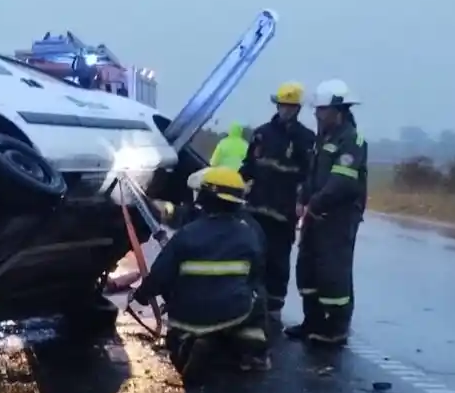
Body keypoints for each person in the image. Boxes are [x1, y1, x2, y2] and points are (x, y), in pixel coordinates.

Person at [131, 166, 271, 374]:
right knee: (258, 298)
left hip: (187, 315)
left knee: (184, 324)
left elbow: (160, 276)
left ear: (205, 197)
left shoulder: (187, 234)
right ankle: (252, 353)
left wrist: (140, 296)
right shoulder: (251, 233)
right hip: (233, 312)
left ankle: (185, 345)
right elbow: (256, 275)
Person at [285, 78, 368, 346]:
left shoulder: (351, 139)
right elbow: (312, 174)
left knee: (334, 272)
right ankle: (313, 323)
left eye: (321, 110)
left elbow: (342, 181)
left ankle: (335, 329)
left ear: (338, 110)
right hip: (315, 214)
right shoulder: (324, 137)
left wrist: (315, 205)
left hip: (338, 218)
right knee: (308, 269)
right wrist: (301, 198)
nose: (317, 114)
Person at [240, 81, 317, 315]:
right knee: (252, 254)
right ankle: (250, 301)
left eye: (289, 106)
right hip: (256, 209)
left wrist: (302, 202)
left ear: (297, 109)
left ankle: (273, 308)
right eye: (282, 105)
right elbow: (248, 166)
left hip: (284, 213)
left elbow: (310, 175)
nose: (285, 110)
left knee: (279, 260)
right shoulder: (262, 134)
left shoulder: (306, 138)